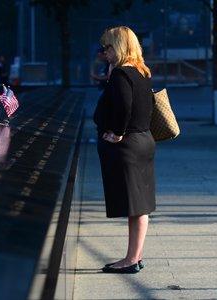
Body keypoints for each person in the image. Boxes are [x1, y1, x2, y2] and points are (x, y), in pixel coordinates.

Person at [93, 26, 156, 274]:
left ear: (117, 47)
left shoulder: (121, 74)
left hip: (127, 145)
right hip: (143, 141)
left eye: (107, 47)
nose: (104, 52)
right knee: (139, 205)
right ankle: (135, 256)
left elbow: (124, 106)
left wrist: (117, 131)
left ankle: (131, 260)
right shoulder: (141, 71)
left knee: (135, 205)